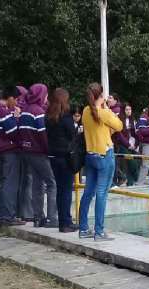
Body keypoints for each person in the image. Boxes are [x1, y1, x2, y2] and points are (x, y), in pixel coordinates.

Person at [79, 83, 123, 241]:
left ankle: (83, 229)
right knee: (102, 193)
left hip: (90, 155)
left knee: (88, 192)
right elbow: (119, 126)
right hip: (104, 154)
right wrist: (109, 109)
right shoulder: (103, 112)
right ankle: (99, 231)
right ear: (101, 95)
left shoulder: (85, 111)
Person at [19, 83, 58, 228]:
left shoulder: (25, 111)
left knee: (37, 184)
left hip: (27, 152)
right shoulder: (38, 112)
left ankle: (37, 217)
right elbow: (43, 134)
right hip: (40, 153)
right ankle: (52, 218)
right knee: (51, 183)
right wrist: (49, 150)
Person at [0, 86, 25, 226]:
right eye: (16, 99)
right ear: (9, 98)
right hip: (9, 151)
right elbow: (13, 131)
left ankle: (2, 215)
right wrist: (18, 119)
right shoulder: (3, 112)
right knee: (9, 184)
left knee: (3, 184)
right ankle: (8, 216)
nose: (16, 103)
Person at [46, 88, 80, 233]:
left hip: (53, 156)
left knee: (59, 190)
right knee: (66, 191)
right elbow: (72, 135)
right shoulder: (66, 118)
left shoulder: (48, 117)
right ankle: (66, 222)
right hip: (65, 157)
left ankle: (62, 221)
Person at [15, 85, 33, 221]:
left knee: (22, 180)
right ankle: (27, 212)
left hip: (20, 149)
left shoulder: (22, 109)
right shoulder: (28, 109)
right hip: (29, 150)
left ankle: (21, 211)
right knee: (28, 180)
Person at [112, 103, 140, 186]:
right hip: (122, 144)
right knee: (131, 162)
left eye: (130, 109)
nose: (129, 111)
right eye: (127, 109)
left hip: (132, 144)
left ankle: (130, 182)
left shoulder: (132, 120)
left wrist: (136, 143)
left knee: (133, 162)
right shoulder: (119, 119)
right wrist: (128, 144)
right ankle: (135, 178)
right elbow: (119, 134)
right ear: (123, 110)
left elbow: (134, 133)